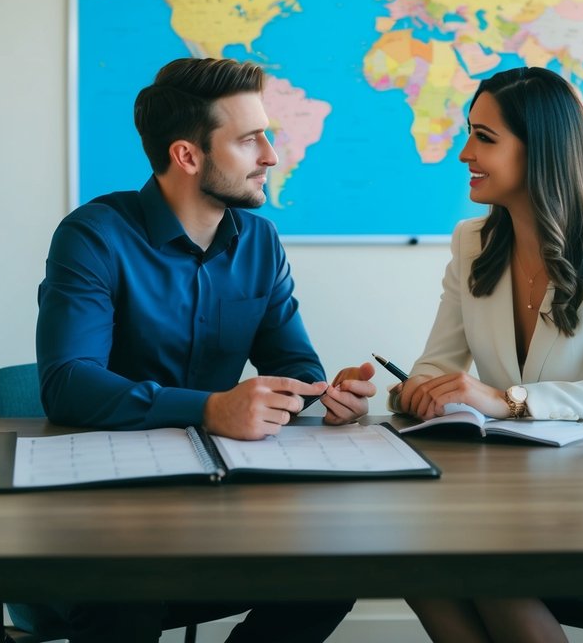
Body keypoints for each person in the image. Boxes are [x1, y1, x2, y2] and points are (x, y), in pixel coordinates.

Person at [27, 56, 376, 643]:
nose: (270, 155)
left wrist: (322, 394)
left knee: (331, 573)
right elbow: (67, 382)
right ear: (187, 156)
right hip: (110, 512)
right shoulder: (93, 236)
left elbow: (293, 362)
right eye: (249, 140)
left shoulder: (259, 240)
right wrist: (210, 408)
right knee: (127, 601)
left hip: (223, 500)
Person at [389, 66, 583, 642]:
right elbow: (437, 365)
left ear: (543, 153)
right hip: (508, 497)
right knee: (410, 555)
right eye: (468, 133)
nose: (464, 154)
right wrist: (406, 390)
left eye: (485, 137)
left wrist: (507, 400)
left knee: (480, 561)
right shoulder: (471, 244)